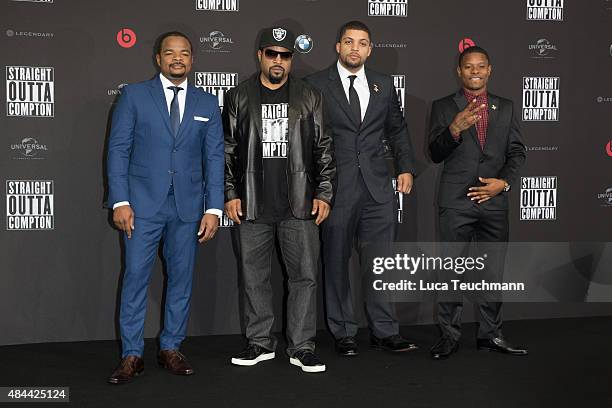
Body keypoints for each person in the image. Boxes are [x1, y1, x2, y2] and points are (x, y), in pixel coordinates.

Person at [106, 31, 224, 383]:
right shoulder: (134, 95)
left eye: (184, 53)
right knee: (136, 278)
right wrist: (121, 200)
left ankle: (171, 346)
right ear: (158, 58)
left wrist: (213, 208)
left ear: (192, 59)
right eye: (170, 53)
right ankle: (131, 354)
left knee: (181, 280)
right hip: (141, 206)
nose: (177, 58)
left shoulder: (207, 103)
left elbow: (215, 157)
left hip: (188, 208)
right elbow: (118, 150)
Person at [223, 27, 336, 373]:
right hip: (253, 204)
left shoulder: (309, 95)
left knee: (304, 276)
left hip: (299, 205)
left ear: (291, 60)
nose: (278, 61)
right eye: (271, 54)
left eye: (285, 55)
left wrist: (325, 192)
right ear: (259, 55)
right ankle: (260, 342)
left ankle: (301, 345)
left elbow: (324, 148)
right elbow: (228, 150)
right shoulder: (239, 96)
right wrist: (230, 193)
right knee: (254, 276)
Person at [305, 21, 417, 357]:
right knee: (336, 262)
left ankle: (385, 331)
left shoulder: (383, 85)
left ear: (370, 49)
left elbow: (397, 129)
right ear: (337, 46)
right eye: (349, 42)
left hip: (378, 188)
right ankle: (343, 332)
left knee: (380, 263)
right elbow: (307, 138)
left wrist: (406, 167)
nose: (356, 48)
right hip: (334, 189)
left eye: (363, 43)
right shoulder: (314, 84)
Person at [428, 46, 528, 359]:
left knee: (493, 271)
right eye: (468, 66)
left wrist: (504, 183)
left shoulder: (507, 107)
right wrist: (454, 129)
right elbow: (435, 153)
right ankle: (448, 336)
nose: (475, 71)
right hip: (456, 202)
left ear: (489, 70)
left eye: (480, 66)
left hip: (494, 203)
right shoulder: (444, 106)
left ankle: (491, 335)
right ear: (459, 71)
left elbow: (517, 153)